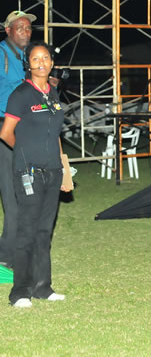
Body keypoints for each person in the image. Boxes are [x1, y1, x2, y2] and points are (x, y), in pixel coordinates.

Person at [0, 41, 72, 308]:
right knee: (27, 232)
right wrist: (24, 155)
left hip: (52, 172)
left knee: (44, 232)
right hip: (28, 172)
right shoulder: (20, 94)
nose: (41, 62)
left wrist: (63, 170)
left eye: (45, 58)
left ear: (52, 63)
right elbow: (6, 133)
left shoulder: (52, 93)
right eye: (35, 59)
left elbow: (55, 136)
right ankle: (19, 292)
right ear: (28, 64)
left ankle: (43, 287)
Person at [0, 10, 34, 268]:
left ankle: (15, 250)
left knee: (25, 189)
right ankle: (7, 256)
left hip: (26, 128)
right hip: (5, 129)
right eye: (20, 27)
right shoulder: (1, 55)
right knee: (12, 195)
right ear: (8, 30)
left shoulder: (27, 57)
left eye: (29, 28)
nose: (26, 31)